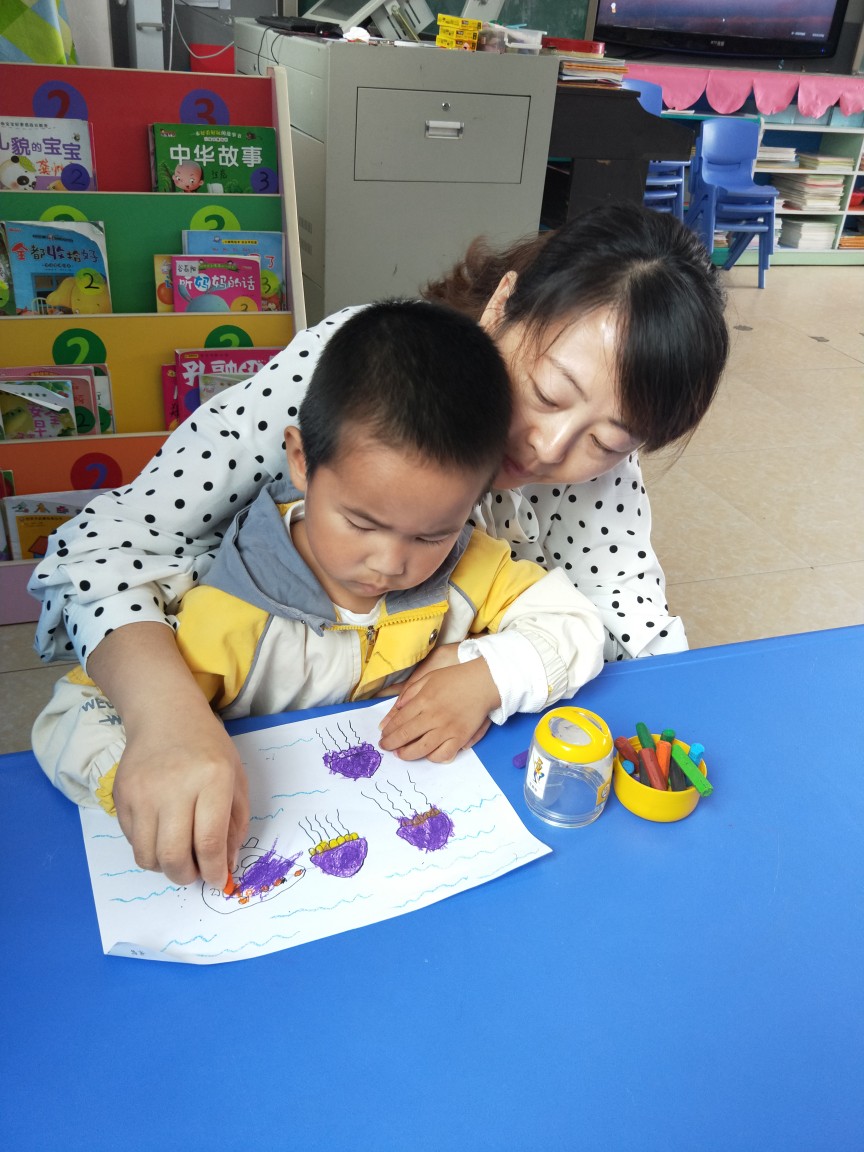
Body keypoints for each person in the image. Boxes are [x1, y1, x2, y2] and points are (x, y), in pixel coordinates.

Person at [28, 203, 729, 887]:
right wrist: (169, 719)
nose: (549, 447)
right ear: (504, 305)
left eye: (606, 441)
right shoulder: (364, 374)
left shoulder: (579, 489)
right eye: (547, 393)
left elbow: (632, 629)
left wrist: (493, 666)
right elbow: (105, 551)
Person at [33, 301, 604, 827]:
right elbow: (73, 718)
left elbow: (575, 625)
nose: (389, 563)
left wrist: (486, 676)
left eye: (431, 534)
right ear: (301, 461)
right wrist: (157, 768)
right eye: (361, 523)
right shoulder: (230, 617)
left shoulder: (470, 565)